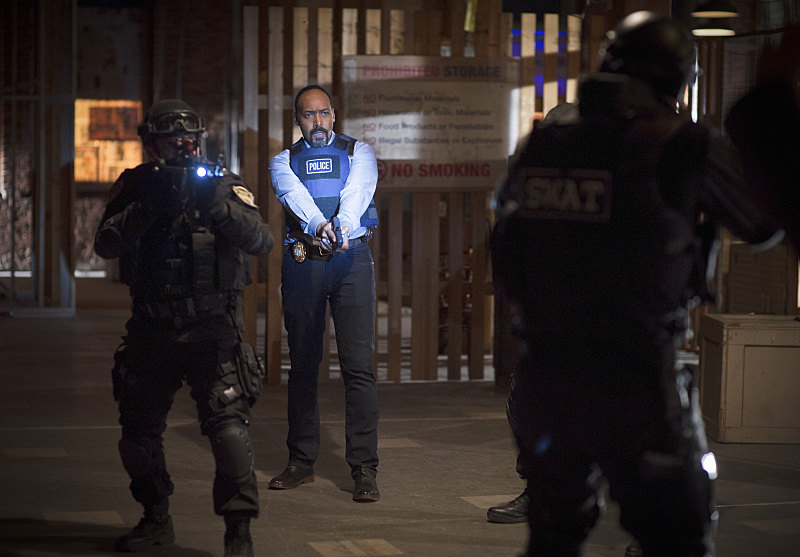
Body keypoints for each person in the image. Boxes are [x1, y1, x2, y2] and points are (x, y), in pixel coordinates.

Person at [491, 11, 788, 557]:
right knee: (677, 538)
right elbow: (764, 223)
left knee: (553, 537)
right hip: (635, 379)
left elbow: (506, 251)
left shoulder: (546, 143)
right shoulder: (681, 144)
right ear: (677, 80)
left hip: (545, 376)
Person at [94, 99, 274, 557]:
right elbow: (106, 245)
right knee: (137, 435)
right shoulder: (137, 184)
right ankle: (155, 518)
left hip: (213, 329)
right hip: (151, 328)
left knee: (229, 432)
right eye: (168, 141)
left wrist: (218, 209)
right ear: (152, 144)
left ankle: (239, 535)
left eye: (185, 140)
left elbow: (262, 239)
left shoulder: (222, 182)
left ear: (197, 142)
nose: (178, 148)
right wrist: (146, 210)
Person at [268, 84, 381, 502]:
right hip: (304, 262)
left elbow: (358, 191)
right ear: (297, 120)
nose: (317, 121)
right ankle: (301, 462)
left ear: (334, 115)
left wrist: (342, 226)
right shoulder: (283, 160)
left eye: (323, 113)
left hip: (352, 260)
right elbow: (293, 194)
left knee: (359, 367)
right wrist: (321, 226)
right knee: (303, 365)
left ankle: (364, 468)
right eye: (308, 114)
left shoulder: (359, 151)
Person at [487, 102, 578, 526]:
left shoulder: (612, 178)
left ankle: (648, 522)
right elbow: (507, 245)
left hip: (609, 323)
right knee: (527, 406)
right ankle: (539, 491)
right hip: (549, 321)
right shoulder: (532, 183)